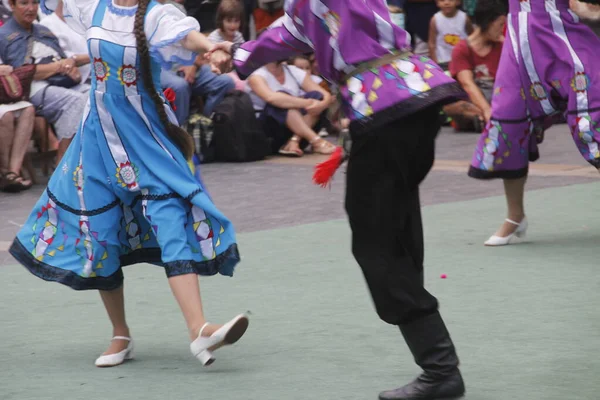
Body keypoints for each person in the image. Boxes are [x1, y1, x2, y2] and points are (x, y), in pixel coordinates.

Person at [216, 2, 466, 398]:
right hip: (411, 97)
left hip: (388, 106)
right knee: (393, 224)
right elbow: (291, 31)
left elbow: (292, 29)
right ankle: (437, 361)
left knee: (375, 241)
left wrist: (238, 55)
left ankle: (440, 369)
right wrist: (238, 54)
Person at [9, 0, 249, 368]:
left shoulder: (155, 14)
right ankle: (120, 333)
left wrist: (216, 48)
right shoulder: (92, 7)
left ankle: (199, 329)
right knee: (101, 233)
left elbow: (187, 36)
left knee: (170, 221)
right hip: (96, 141)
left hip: (146, 138)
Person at [468, 0, 600, 246]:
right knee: (507, 122)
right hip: (519, 44)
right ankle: (515, 216)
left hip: (568, 38)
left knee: (592, 122)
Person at [428, 0, 473, 69]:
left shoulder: (464, 18)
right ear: (437, 2)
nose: (447, 3)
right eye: (442, 0)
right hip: (443, 61)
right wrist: (435, 63)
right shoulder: (435, 19)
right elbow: (431, 43)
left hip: (462, 60)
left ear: (458, 1)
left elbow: (472, 37)